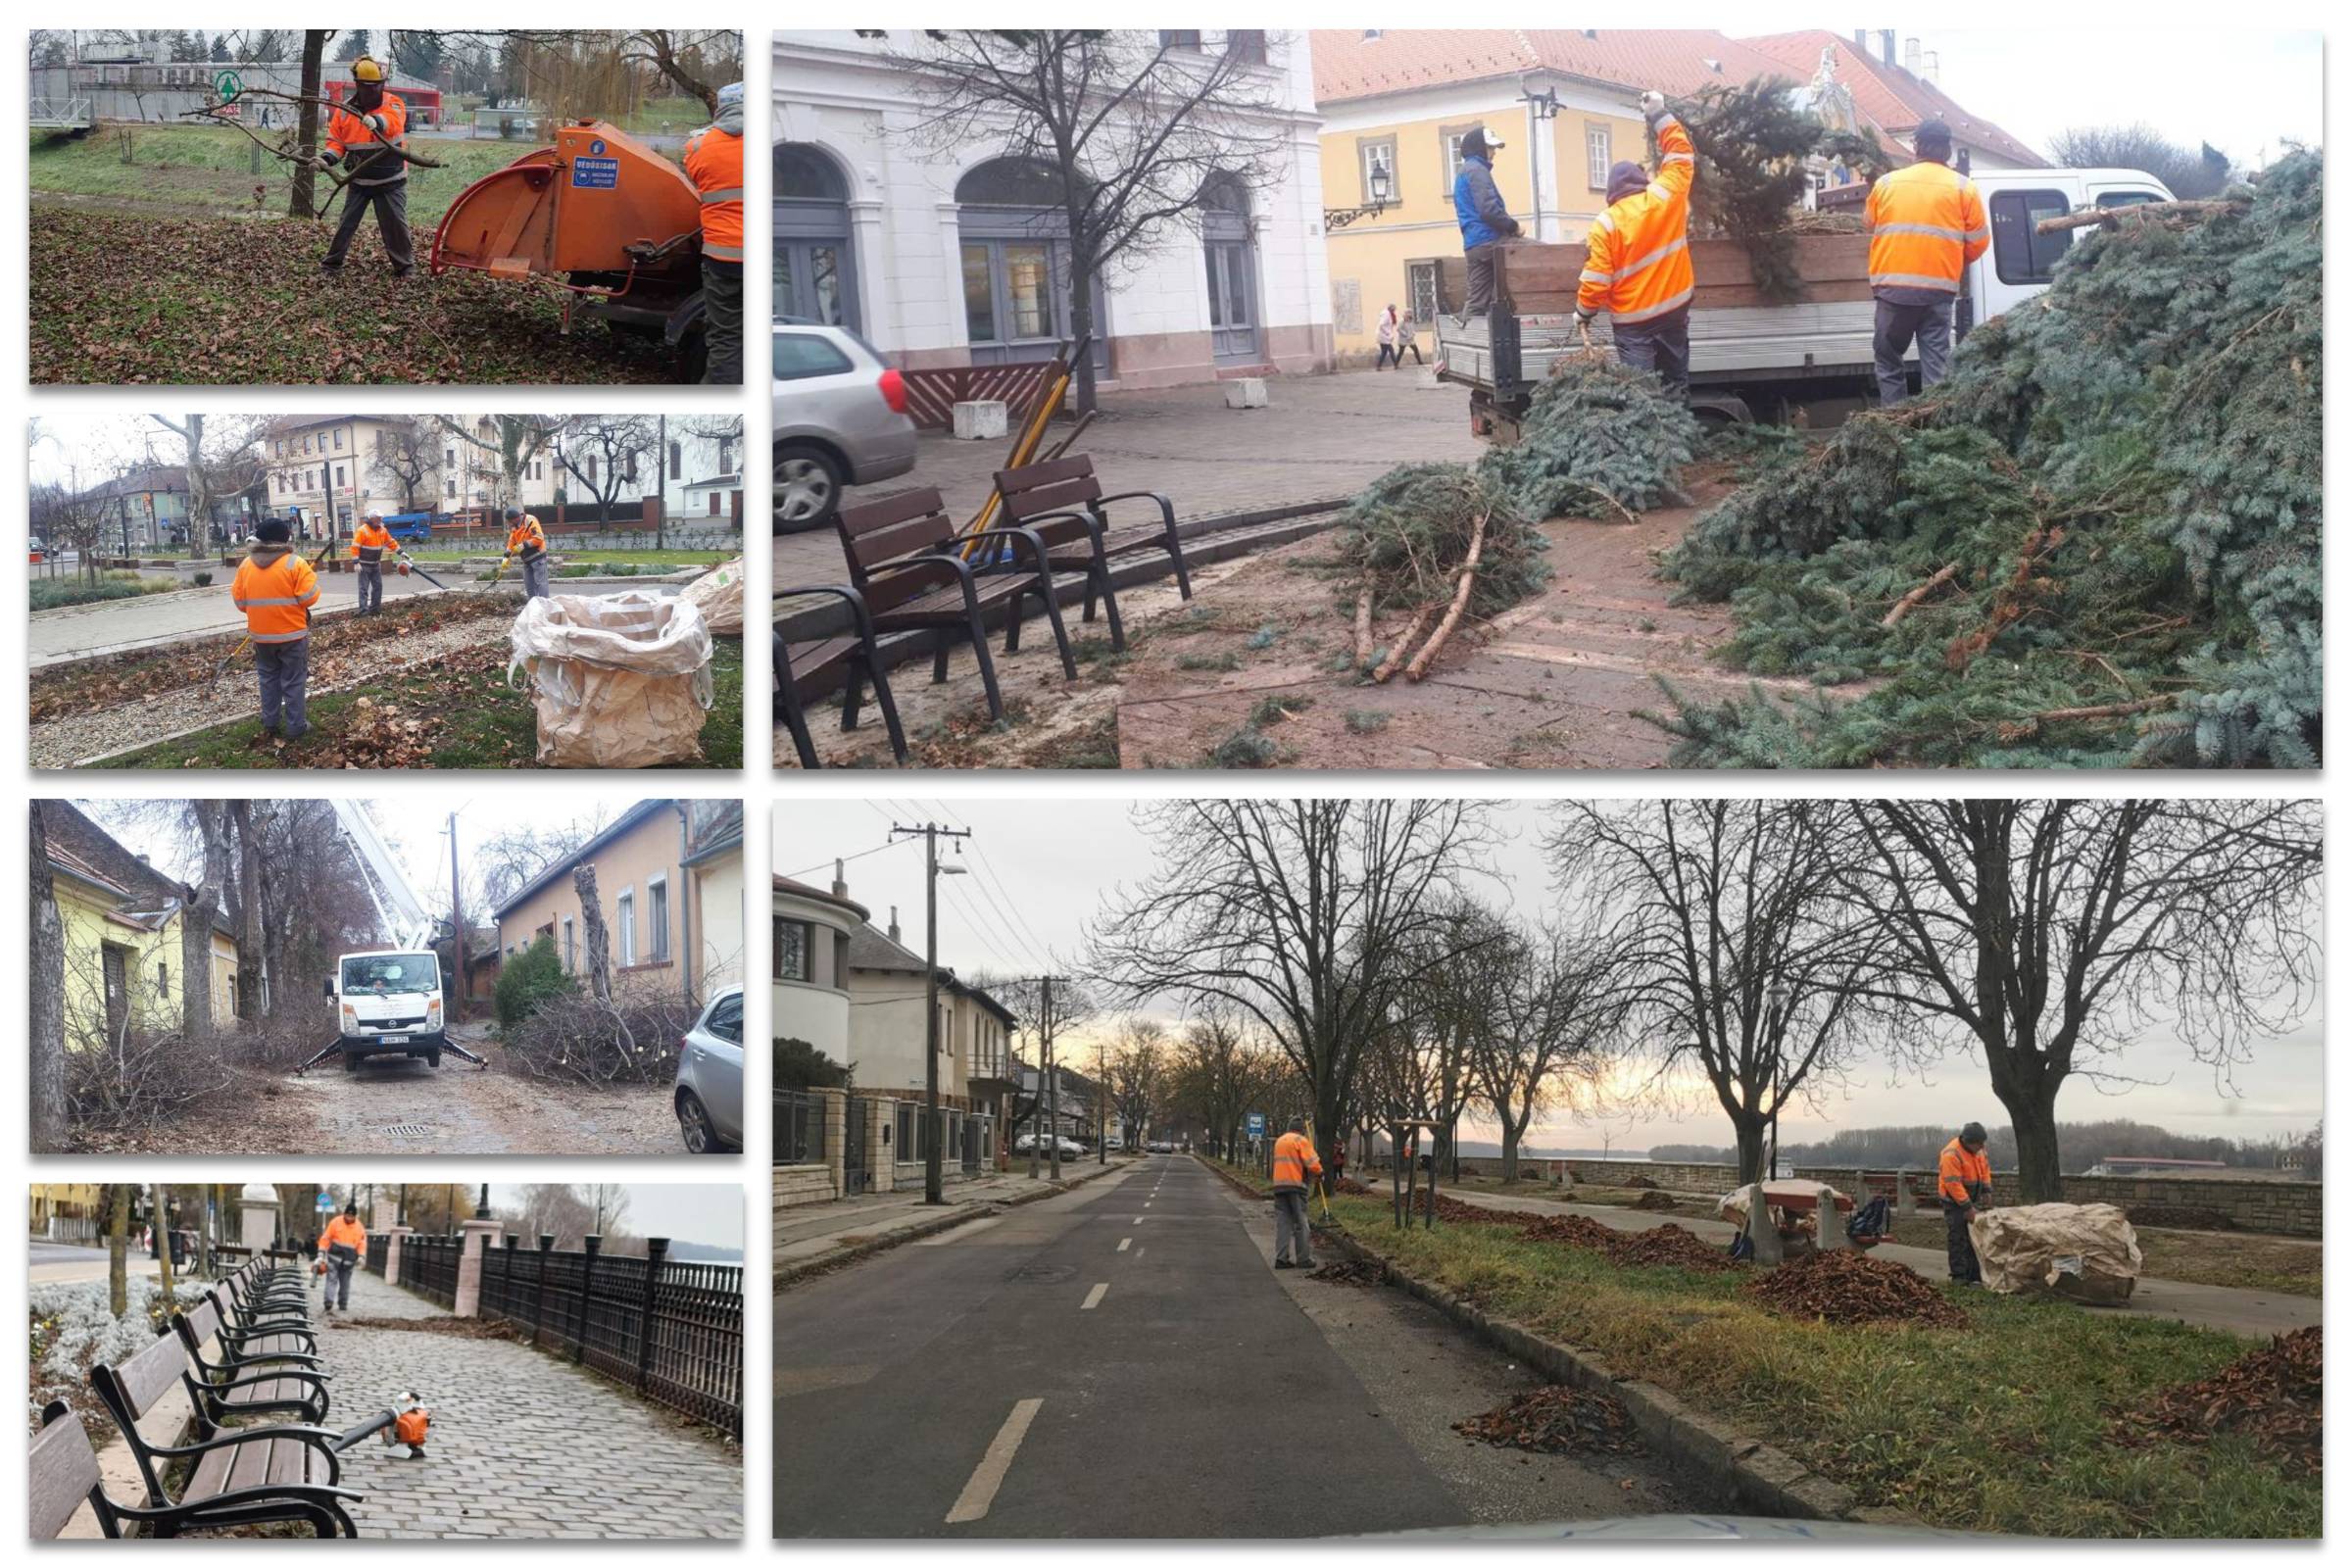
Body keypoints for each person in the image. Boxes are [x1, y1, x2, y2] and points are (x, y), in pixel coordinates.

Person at [1576, 90, 1697, 398]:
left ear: (1611, 192)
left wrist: (1583, 312)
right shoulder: (1664, 196)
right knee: (1675, 386)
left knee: (1643, 394)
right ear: (1641, 182)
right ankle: (1678, 439)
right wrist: (1658, 114)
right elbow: (1681, 156)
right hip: (1674, 310)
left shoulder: (1607, 222)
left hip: (1633, 323)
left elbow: (1597, 277)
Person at [1864, 119, 1989, 406]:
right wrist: (1951, 260)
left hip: (1892, 293)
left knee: (1889, 363)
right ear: (1947, 149)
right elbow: (1980, 241)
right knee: (1936, 370)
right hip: (1938, 294)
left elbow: (1869, 223)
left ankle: (1893, 428)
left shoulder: (1886, 184)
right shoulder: (1964, 188)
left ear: (1916, 146)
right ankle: (1936, 431)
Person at [316, 55, 414, 276]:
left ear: (381, 84)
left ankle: (405, 268)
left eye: (376, 86)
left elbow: (394, 122)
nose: (372, 91)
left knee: (395, 226)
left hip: (391, 180)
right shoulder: (344, 112)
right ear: (358, 85)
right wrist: (326, 159)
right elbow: (336, 143)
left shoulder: (393, 103)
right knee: (346, 224)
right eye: (367, 86)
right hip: (359, 180)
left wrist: (377, 122)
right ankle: (331, 265)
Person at [230, 517, 320, 740]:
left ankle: (270, 723)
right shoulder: (295, 563)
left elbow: (241, 603)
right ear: (284, 538)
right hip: (292, 635)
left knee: (268, 679)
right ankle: (296, 727)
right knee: (293, 681)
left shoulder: (245, 565)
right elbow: (309, 598)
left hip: (261, 637)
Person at [683, 82, 746, 384]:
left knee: (726, 337)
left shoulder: (697, 147)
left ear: (719, 108)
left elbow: (695, 179)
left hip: (722, 258)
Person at [1451, 126, 1521, 320]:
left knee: (1477, 300)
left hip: (1474, 245)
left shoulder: (1464, 172)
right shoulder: (1478, 170)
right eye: (1490, 148)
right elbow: (1488, 210)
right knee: (1540, 252)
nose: (1494, 152)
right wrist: (1513, 227)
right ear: (1479, 148)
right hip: (1490, 241)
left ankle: (1467, 342)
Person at [1938, 1120, 1994, 1284]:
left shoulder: (1979, 1150)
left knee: (1974, 1237)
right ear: (1968, 1141)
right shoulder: (1951, 1154)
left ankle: (1974, 1275)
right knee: (1958, 1237)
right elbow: (1953, 1184)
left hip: (1971, 1198)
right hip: (1954, 1201)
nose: (1982, 1147)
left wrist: (1986, 1190)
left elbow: (1985, 1169)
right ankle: (1959, 1276)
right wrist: (1967, 1207)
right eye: (1979, 1144)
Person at [1270, 1114, 1324, 1269]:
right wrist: (1320, 1173)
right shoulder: (1301, 1141)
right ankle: (1303, 1259)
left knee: (1283, 1223)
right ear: (1302, 1130)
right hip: (1296, 1186)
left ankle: (1281, 1259)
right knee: (1301, 1223)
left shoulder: (1280, 1141)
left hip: (1279, 1187)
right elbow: (1312, 1163)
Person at [318, 1203, 368, 1316]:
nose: (349, 1218)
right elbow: (326, 1237)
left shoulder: (359, 1228)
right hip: (334, 1258)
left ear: (355, 1216)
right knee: (331, 1280)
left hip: (349, 1262)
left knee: (345, 1283)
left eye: (351, 1216)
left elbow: (362, 1244)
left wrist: (361, 1256)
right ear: (344, 1213)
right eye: (347, 1215)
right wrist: (321, 1252)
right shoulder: (335, 1222)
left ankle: (343, 1303)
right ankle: (328, 1302)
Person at [352, 512, 395, 615]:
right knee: (363, 589)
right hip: (364, 565)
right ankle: (364, 611)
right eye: (378, 518)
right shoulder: (362, 530)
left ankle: (375, 609)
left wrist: (401, 552)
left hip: (375, 564)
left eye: (381, 518)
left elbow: (390, 542)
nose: (380, 520)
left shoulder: (382, 530)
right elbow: (355, 546)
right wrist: (356, 562)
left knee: (378, 587)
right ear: (371, 518)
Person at [503, 506, 550, 599]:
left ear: (515, 519)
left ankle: (545, 606)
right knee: (529, 585)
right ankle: (533, 605)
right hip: (527, 560)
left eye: (510, 521)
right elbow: (511, 541)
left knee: (541, 583)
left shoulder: (529, 520)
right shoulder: (514, 526)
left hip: (538, 557)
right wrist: (506, 556)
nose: (509, 524)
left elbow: (539, 537)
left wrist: (523, 545)